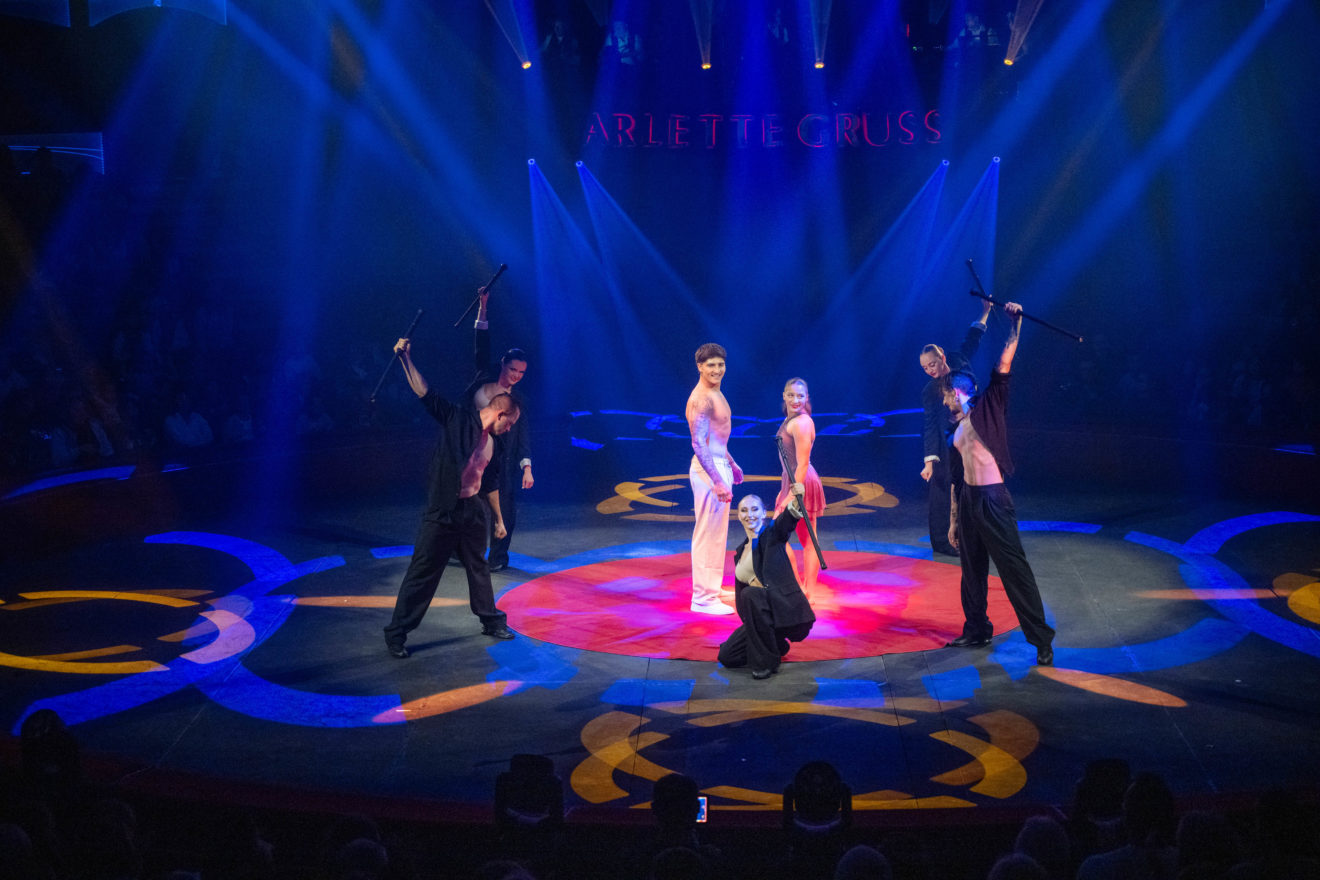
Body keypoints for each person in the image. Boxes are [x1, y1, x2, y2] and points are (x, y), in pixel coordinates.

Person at [383, 336, 521, 658]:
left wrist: (498, 520)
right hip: (443, 511)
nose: (510, 430)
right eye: (510, 424)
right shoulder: (457, 419)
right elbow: (425, 393)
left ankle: (491, 620)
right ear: (500, 414)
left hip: (471, 510)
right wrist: (405, 358)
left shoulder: (494, 444)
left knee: (479, 566)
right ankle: (396, 633)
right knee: (423, 573)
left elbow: (489, 483)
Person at [944, 301, 1055, 666]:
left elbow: (1003, 364)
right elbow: (956, 478)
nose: (943, 401)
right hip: (969, 500)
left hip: (993, 500)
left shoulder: (988, 408)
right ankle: (977, 628)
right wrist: (954, 520)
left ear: (957, 393)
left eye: (945, 395)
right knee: (971, 570)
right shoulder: (955, 429)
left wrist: (1015, 324)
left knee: (1013, 570)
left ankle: (1041, 639)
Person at [919, 299, 993, 555]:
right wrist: (929, 460)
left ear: (942, 356)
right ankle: (943, 542)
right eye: (925, 368)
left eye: (932, 364)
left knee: (973, 485)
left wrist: (985, 312)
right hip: (947, 443)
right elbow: (930, 425)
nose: (929, 370)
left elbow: (972, 338)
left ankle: (971, 534)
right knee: (943, 489)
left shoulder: (959, 360)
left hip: (973, 433)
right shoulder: (930, 391)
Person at [717, 491, 816, 679]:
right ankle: (776, 644)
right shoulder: (741, 551)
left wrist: (796, 502)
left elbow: (784, 523)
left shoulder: (771, 536)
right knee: (727, 656)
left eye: (755, 509)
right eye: (744, 510)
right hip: (759, 618)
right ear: (739, 516)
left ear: (764, 513)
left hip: (783, 611)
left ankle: (766, 663)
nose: (749, 514)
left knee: (750, 594)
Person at [467, 288, 532, 573]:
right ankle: (462, 550)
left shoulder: (519, 400)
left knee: (506, 512)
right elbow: (481, 347)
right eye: (513, 369)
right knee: (469, 509)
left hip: (502, 463)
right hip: (475, 456)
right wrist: (483, 308)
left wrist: (527, 466)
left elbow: (523, 434)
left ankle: (498, 557)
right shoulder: (485, 380)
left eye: (521, 372)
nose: (516, 376)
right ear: (503, 364)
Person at [686, 343, 743, 614]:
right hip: (708, 471)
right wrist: (718, 480)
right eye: (711, 365)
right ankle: (702, 598)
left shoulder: (715, 393)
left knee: (718, 533)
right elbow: (698, 443)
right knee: (708, 533)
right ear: (700, 366)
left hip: (718, 464)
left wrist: (731, 463)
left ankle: (712, 587)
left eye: (720, 364)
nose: (717, 370)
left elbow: (715, 439)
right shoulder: (702, 399)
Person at [774, 378, 826, 600]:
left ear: (807, 398)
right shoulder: (791, 419)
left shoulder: (801, 423)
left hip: (802, 483)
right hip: (794, 481)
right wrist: (784, 490)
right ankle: (803, 589)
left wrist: (791, 495)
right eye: (791, 395)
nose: (795, 400)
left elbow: (802, 463)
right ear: (784, 396)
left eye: (800, 396)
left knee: (778, 536)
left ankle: (805, 590)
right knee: (803, 539)